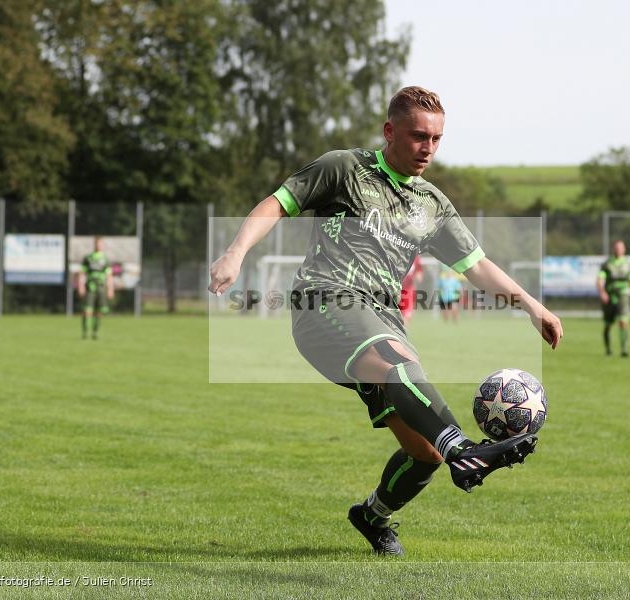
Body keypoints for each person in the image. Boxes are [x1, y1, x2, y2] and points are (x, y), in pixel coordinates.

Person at [208, 86, 563, 556]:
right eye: (418, 136)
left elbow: (475, 265)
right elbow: (276, 203)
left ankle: (373, 515)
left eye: (436, 139)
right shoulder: (344, 168)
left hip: (383, 317)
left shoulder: (432, 204)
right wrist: (235, 252)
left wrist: (530, 305)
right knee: (398, 367)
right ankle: (465, 451)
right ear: (389, 131)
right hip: (325, 301)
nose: (428, 149)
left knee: (424, 453)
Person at [597, 240, 630, 357]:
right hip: (610, 297)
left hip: (623, 295)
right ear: (613, 249)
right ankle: (608, 349)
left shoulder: (627, 264)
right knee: (608, 324)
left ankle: (624, 349)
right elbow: (600, 280)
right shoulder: (607, 264)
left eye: (621, 248)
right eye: (617, 248)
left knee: (623, 322)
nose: (619, 250)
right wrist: (603, 292)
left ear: (624, 250)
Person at [77, 236, 114, 340]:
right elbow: (82, 273)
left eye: (101, 244)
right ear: (94, 244)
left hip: (101, 287)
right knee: (87, 310)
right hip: (90, 287)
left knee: (100, 310)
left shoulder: (105, 259)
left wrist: (111, 289)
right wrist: (81, 286)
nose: (99, 246)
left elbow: (109, 276)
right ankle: (85, 331)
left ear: (103, 245)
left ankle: (95, 332)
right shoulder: (88, 258)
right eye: (97, 244)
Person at [398, 254, 423, 326]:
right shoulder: (396, 253)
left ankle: (402, 335)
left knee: (406, 316)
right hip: (394, 289)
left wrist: (418, 277)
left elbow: (419, 272)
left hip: (408, 291)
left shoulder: (415, 257)